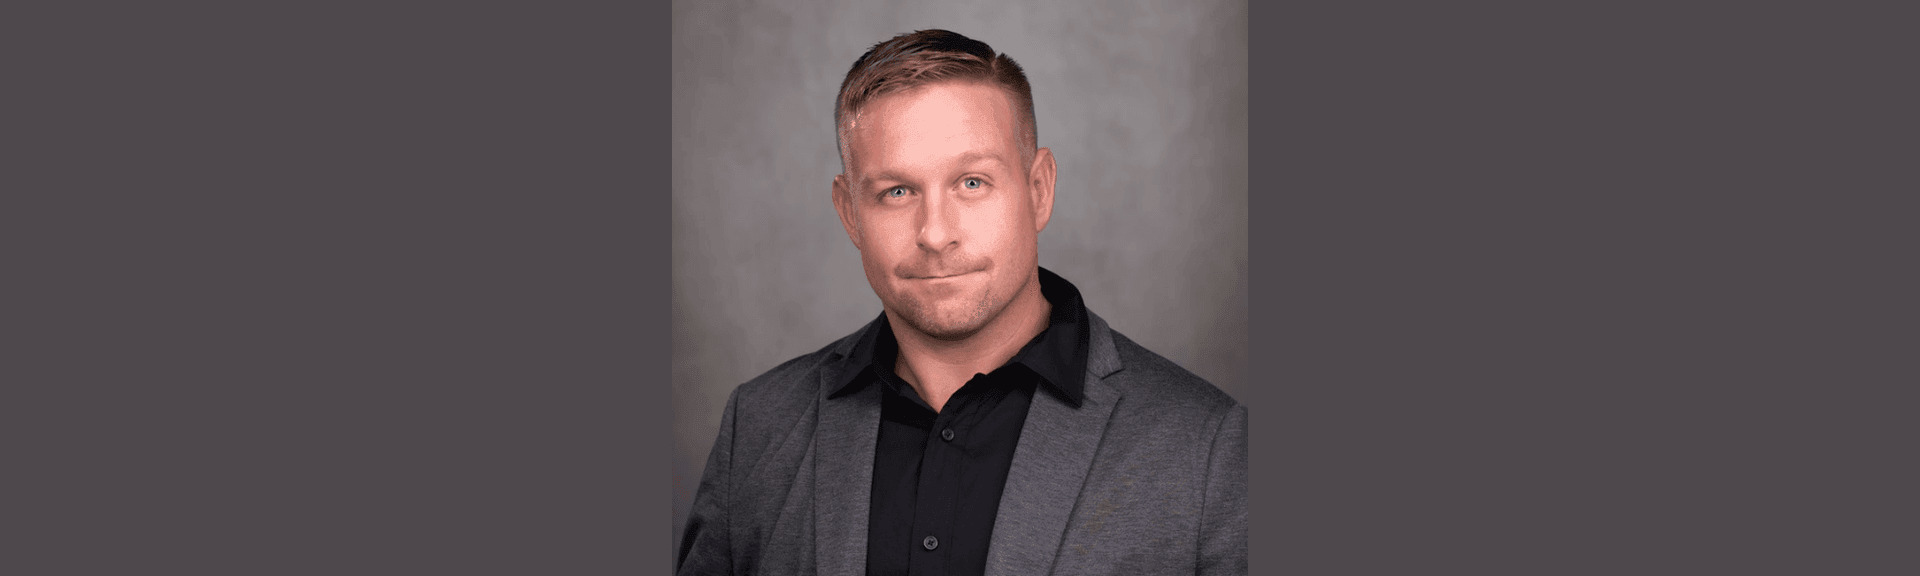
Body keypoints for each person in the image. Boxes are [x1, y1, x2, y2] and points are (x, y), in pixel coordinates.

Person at [676, 29, 1246, 576]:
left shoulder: (1203, 447)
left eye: (972, 183)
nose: (935, 233)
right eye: (897, 192)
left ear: (1039, 190)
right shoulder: (758, 428)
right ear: (850, 212)